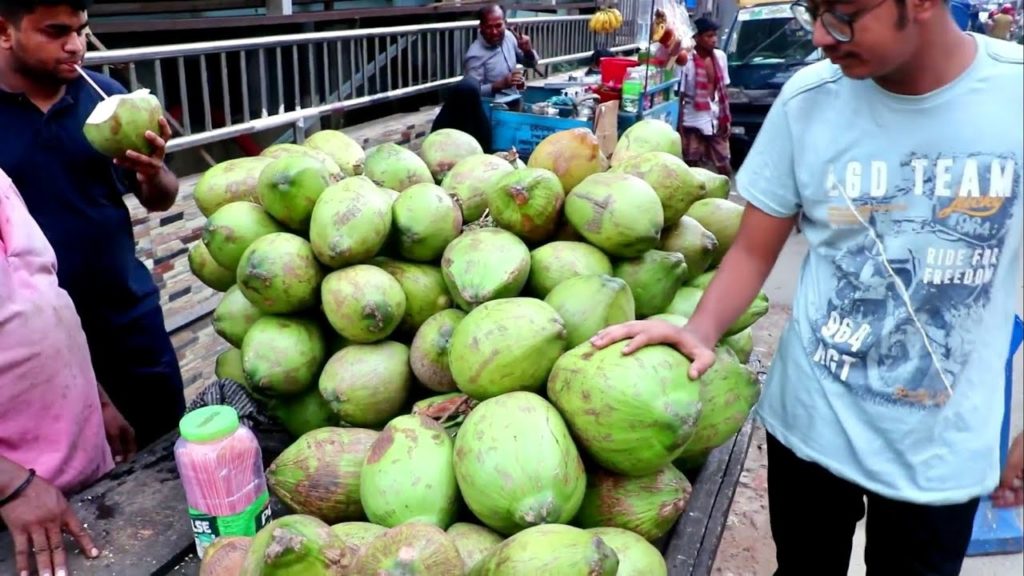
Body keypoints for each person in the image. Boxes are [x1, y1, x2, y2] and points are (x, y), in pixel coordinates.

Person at [591, 0, 1024, 573]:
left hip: (941, 449)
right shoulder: (809, 100)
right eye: (812, 11)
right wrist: (700, 329)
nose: (820, 35)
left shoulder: (1012, 96)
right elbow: (753, 248)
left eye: (841, 14)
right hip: (812, 427)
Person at [0, 0, 186, 450]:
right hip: (39, 343)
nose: (75, 46)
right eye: (56, 32)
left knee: (169, 445)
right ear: (5, 31)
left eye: (81, 30)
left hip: (129, 318)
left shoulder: (104, 96)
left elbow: (160, 198)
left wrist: (153, 172)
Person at [1, 167, 135, 576]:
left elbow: (41, 294)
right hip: (18, 515)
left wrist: (97, 399)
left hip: (84, 480)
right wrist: (10, 486)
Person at [430, 4, 539, 150]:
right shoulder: (475, 55)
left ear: (505, 23)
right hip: (491, 115)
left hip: (514, 104)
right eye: (489, 27)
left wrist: (528, 51)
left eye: (498, 26)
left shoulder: (509, 37)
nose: (494, 32)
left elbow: (531, 63)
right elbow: (471, 94)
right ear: (481, 27)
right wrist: (499, 84)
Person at [678, 17, 732, 177]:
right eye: (709, 36)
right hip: (692, 120)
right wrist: (680, 129)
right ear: (697, 38)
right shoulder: (685, 60)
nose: (714, 40)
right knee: (692, 166)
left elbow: (724, 90)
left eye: (715, 35)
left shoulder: (720, 57)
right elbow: (680, 95)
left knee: (724, 164)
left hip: (715, 118)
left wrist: (727, 119)